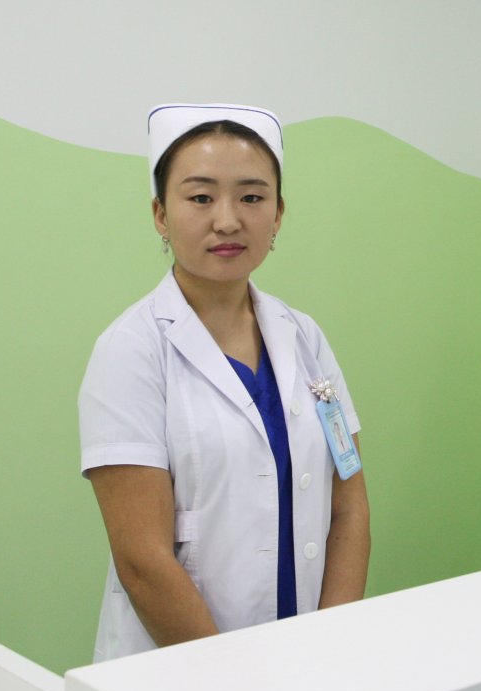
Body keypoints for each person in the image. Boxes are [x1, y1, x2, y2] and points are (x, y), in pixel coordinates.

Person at [79, 104, 371, 661]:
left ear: (278, 214)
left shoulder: (303, 337)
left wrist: (330, 647)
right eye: (200, 197)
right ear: (160, 214)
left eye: (252, 198)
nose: (228, 220)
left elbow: (349, 508)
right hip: (183, 667)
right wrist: (228, 680)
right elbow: (141, 561)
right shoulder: (131, 350)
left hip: (306, 653)